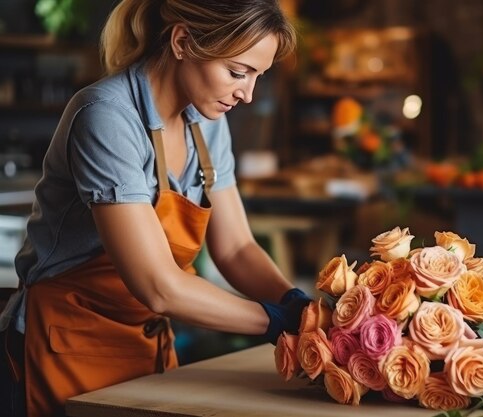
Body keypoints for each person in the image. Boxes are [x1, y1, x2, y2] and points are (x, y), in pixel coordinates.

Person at [0, 1, 312, 416]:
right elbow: (158, 286)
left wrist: (298, 305)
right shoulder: (107, 117)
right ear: (183, 41)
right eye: (238, 72)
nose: (248, 94)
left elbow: (236, 248)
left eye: (258, 75)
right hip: (65, 342)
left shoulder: (208, 124)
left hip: (146, 342)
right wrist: (275, 322)